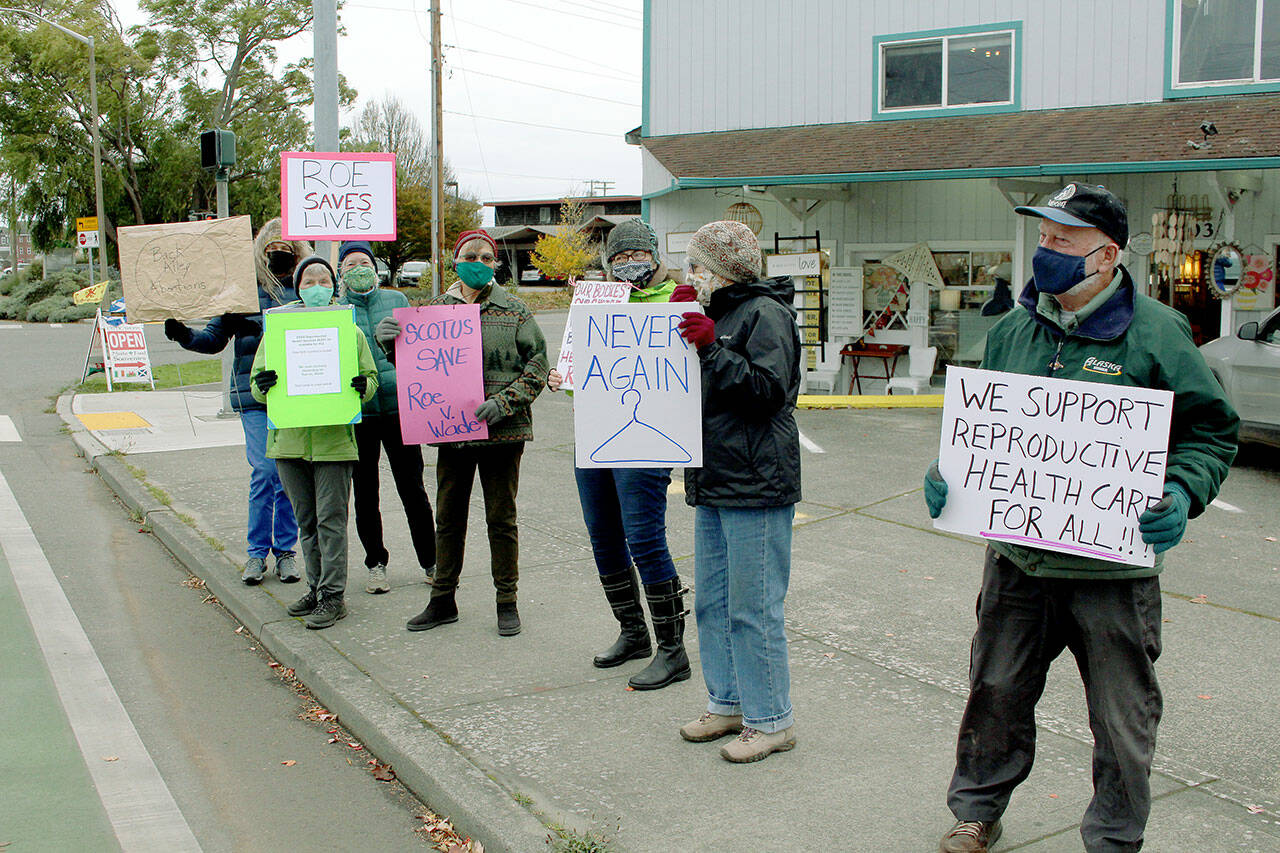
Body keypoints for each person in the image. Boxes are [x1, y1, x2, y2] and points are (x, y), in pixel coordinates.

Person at [926, 182, 1238, 853]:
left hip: (1112, 571)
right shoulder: (1013, 328)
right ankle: (977, 809)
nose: (1046, 252)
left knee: (1122, 718)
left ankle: (1114, 838)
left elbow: (1210, 431)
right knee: (996, 692)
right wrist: (948, 473)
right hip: (1017, 564)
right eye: (1043, 239)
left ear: (1105, 256)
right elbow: (985, 429)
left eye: (1061, 242)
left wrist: (1181, 492)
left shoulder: (1158, 332)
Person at [671, 220, 801, 763]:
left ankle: (771, 719)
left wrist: (709, 349)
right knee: (714, 602)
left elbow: (769, 390)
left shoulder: (765, 313)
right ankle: (727, 702)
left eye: (698, 265)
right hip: (718, 476)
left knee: (753, 606)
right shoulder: (721, 313)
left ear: (722, 269)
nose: (692, 273)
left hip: (757, 481)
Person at [545, 219, 689, 690]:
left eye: (636, 254)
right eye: (619, 257)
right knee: (603, 536)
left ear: (653, 254)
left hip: (646, 439)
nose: (628, 264)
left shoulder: (677, 301)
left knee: (645, 539)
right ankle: (633, 632)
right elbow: (584, 377)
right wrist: (562, 378)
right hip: (594, 435)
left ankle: (673, 650)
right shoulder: (595, 302)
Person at [381, 229, 547, 637]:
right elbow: (418, 372)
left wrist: (504, 403)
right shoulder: (433, 313)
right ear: (454, 261)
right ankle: (442, 600)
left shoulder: (516, 310)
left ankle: (506, 601)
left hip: (502, 434)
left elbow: (538, 366)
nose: (479, 261)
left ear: (495, 264)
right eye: (470, 255)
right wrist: (390, 345)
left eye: (486, 257)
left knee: (501, 519)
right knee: (448, 517)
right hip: (451, 433)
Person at [163, 217, 307, 585]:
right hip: (253, 395)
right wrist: (184, 335)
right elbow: (212, 339)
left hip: (295, 396)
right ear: (260, 249)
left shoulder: (307, 288)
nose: (278, 252)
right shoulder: (240, 291)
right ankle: (258, 554)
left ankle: (286, 551)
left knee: (287, 474)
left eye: (286, 247)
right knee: (266, 471)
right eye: (271, 247)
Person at [250, 255, 379, 630]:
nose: (316, 286)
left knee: (331, 521)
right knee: (307, 521)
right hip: (289, 444)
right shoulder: (277, 330)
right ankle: (316, 586)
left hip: (334, 443)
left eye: (324, 279)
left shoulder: (348, 331)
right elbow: (259, 383)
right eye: (309, 281)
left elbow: (369, 378)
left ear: (333, 286)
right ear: (297, 286)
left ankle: (334, 596)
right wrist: (265, 386)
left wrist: (362, 388)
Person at [337, 240, 436, 594]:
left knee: (413, 489)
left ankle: (431, 560)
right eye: (349, 265)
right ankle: (375, 563)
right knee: (365, 493)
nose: (358, 269)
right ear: (341, 274)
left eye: (364, 262)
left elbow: (419, 350)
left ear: (376, 267)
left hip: (399, 407)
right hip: (358, 413)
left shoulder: (397, 301)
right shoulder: (336, 311)